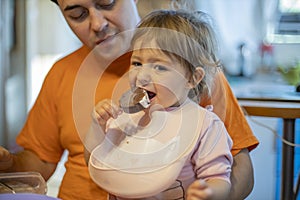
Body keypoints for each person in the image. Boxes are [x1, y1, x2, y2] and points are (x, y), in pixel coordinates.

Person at [0, 0, 258, 200]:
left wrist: (210, 194)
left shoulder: (193, 68)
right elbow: (42, 162)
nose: (98, 23)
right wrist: (9, 163)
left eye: (107, 3)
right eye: (77, 14)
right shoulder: (63, 74)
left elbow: (237, 168)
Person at [85, 9, 233, 200]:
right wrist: (97, 126)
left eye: (159, 67)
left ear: (192, 78)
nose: (142, 76)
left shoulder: (204, 124)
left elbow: (219, 178)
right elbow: (96, 161)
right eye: (137, 63)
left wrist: (210, 192)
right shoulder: (124, 118)